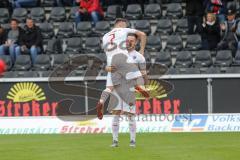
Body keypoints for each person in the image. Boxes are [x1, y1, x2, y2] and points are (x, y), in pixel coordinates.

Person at [96, 18, 148, 120]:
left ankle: (101, 101)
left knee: (109, 87)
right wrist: (142, 50)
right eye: (124, 25)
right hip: (122, 59)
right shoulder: (123, 30)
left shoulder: (105, 36)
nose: (125, 27)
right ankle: (139, 86)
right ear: (120, 24)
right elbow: (143, 34)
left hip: (111, 64)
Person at [106, 33, 148, 147]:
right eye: (127, 40)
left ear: (136, 43)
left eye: (132, 41)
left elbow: (143, 74)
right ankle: (115, 141)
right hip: (117, 87)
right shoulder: (116, 54)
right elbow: (108, 68)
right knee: (116, 114)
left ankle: (132, 141)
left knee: (130, 114)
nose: (129, 42)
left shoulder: (139, 57)